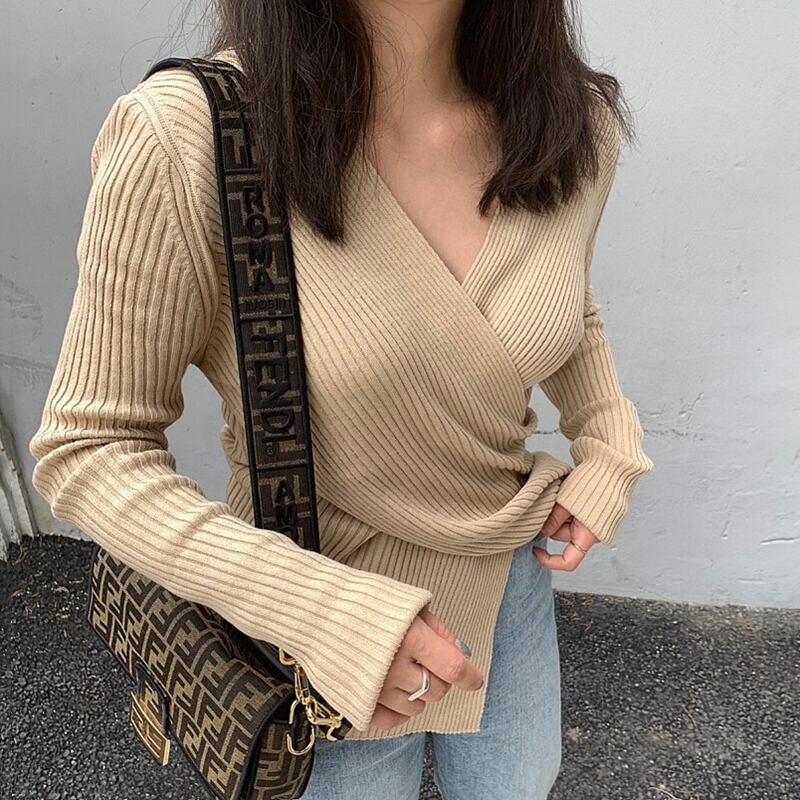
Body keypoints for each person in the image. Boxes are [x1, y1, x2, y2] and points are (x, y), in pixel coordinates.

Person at [28, 1, 654, 798]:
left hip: (508, 579)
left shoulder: (570, 122)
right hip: (311, 626)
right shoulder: (192, 137)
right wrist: (321, 615)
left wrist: (609, 439)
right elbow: (90, 448)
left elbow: (564, 301)